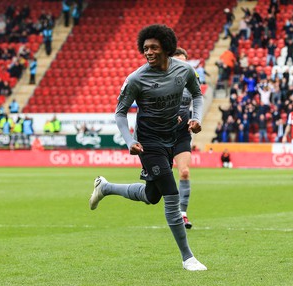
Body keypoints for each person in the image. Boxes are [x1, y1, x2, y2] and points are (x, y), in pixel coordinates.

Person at [88, 24, 207, 271]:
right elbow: (120, 113)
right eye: (145, 48)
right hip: (149, 142)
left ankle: (106, 187)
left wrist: (196, 118)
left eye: (153, 47)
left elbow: (197, 95)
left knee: (153, 196)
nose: (148, 52)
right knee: (171, 195)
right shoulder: (136, 79)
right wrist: (130, 141)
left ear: (166, 47)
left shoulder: (184, 70)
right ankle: (188, 258)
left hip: (173, 136)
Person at [171, 47, 197, 229]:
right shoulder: (161, 78)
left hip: (182, 133)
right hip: (161, 133)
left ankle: (182, 214)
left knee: (185, 172)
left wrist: (196, 118)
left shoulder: (192, 77)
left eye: (184, 62)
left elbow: (198, 98)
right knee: (153, 189)